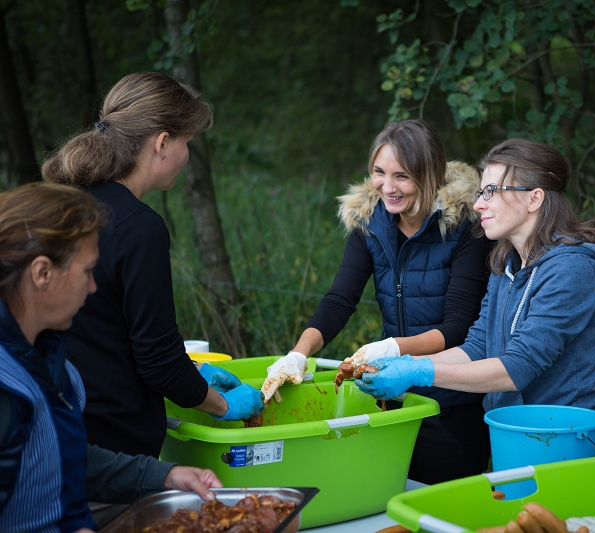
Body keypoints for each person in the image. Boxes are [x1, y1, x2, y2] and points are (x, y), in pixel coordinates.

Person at [41, 71, 264, 460]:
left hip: (54, 424)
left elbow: (103, 328)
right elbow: (158, 362)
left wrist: (192, 368)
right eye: (186, 142)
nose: (187, 156)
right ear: (162, 143)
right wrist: (222, 405)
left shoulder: (60, 203)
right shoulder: (139, 227)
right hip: (112, 443)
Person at [355, 138, 595, 455]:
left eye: (492, 191)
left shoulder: (572, 269)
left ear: (534, 198)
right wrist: (407, 363)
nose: (479, 204)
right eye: (481, 192)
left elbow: (517, 368)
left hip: (574, 443)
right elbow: (478, 346)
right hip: (516, 437)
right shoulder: (505, 263)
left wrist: (420, 372)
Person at [261, 119, 494, 484]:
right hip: (392, 400)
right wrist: (298, 353)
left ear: (429, 174)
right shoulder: (370, 223)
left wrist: (392, 348)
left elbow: (459, 325)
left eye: (402, 176)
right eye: (379, 172)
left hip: (452, 404)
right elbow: (339, 300)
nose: (387, 187)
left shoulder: (465, 227)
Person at [0, 183, 223, 533]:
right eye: (88, 271)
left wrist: (166, 475)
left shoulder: (50, 359)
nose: (93, 287)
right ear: (42, 273)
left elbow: (64, 459)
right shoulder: (7, 385)